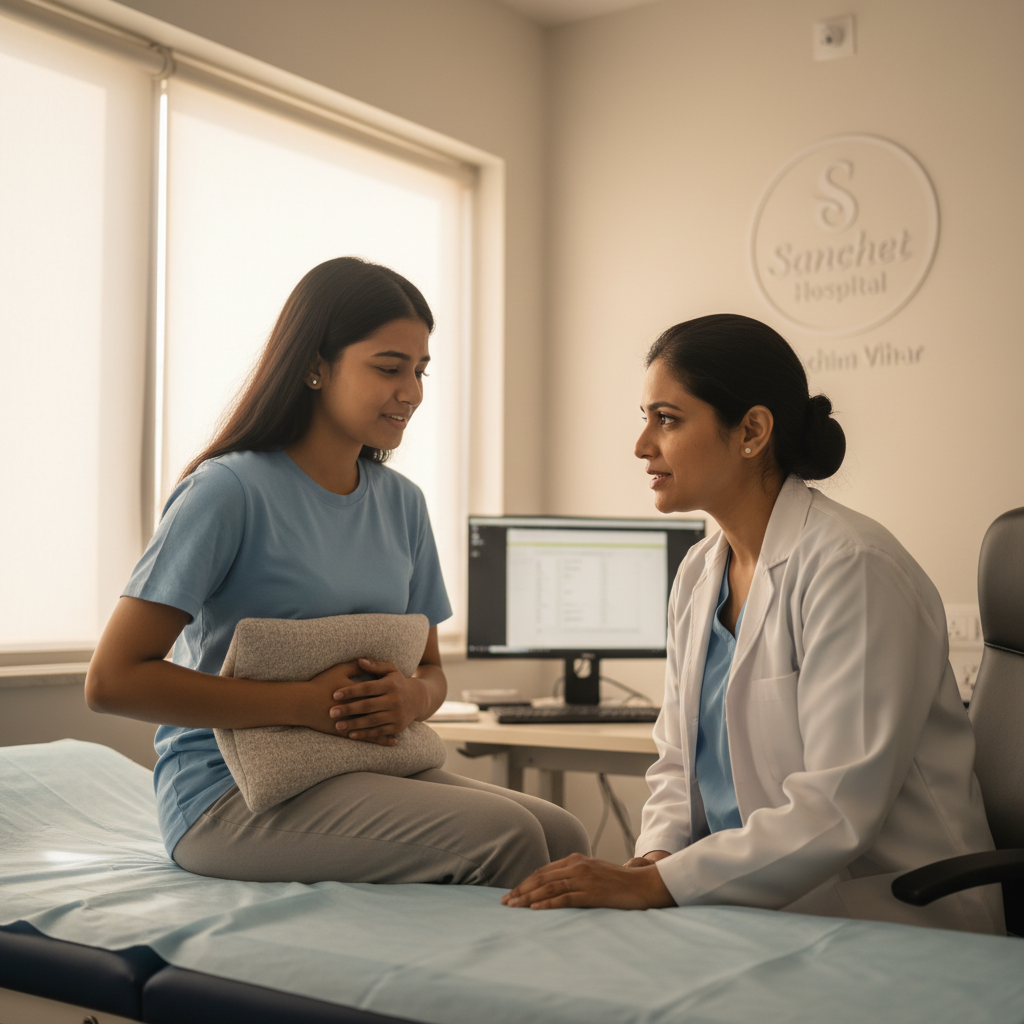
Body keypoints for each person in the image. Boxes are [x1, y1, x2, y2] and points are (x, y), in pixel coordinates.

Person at [86, 256, 589, 889]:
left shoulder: (403, 504)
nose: (412, 391)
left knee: (565, 837)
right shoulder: (228, 491)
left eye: (420, 370)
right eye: (388, 367)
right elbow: (111, 681)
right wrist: (302, 704)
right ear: (314, 367)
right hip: (229, 793)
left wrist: (413, 698)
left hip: (359, 766)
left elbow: (431, 670)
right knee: (508, 836)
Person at [503, 313, 1002, 933]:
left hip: (892, 916)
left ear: (752, 430)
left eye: (668, 419)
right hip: (753, 912)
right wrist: (653, 859)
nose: (642, 446)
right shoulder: (698, 573)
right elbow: (676, 764)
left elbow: (836, 808)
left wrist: (658, 885)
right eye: (645, 419)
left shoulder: (853, 567)